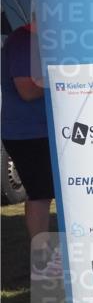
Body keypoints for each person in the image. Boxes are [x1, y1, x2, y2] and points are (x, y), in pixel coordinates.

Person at [1, 22, 58, 278]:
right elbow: (27, 89)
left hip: (39, 130)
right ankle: (43, 260)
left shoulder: (34, 41)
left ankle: (45, 256)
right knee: (40, 194)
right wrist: (62, 80)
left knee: (42, 193)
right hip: (28, 132)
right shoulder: (23, 41)